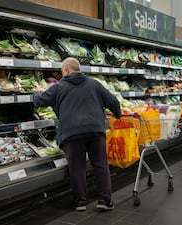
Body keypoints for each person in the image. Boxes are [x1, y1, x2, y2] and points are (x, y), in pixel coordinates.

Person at [33, 57, 121, 211]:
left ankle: (80, 202)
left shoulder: (59, 86)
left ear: (66, 70)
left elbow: (40, 101)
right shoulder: (95, 84)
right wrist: (118, 115)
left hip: (72, 133)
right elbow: (113, 101)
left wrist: (35, 93)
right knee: (100, 164)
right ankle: (105, 200)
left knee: (77, 167)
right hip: (95, 131)